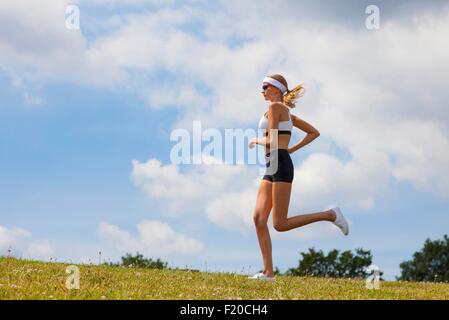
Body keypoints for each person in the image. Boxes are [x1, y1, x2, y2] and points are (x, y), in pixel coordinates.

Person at [247, 74, 349, 281]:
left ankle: (330, 215)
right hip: (273, 164)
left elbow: (273, 140)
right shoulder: (282, 112)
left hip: (280, 165)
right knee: (259, 218)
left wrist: (255, 140)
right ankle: (268, 273)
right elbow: (314, 132)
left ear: (276, 89)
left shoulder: (277, 108)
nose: (262, 90)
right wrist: (291, 148)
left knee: (280, 224)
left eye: (265, 86)